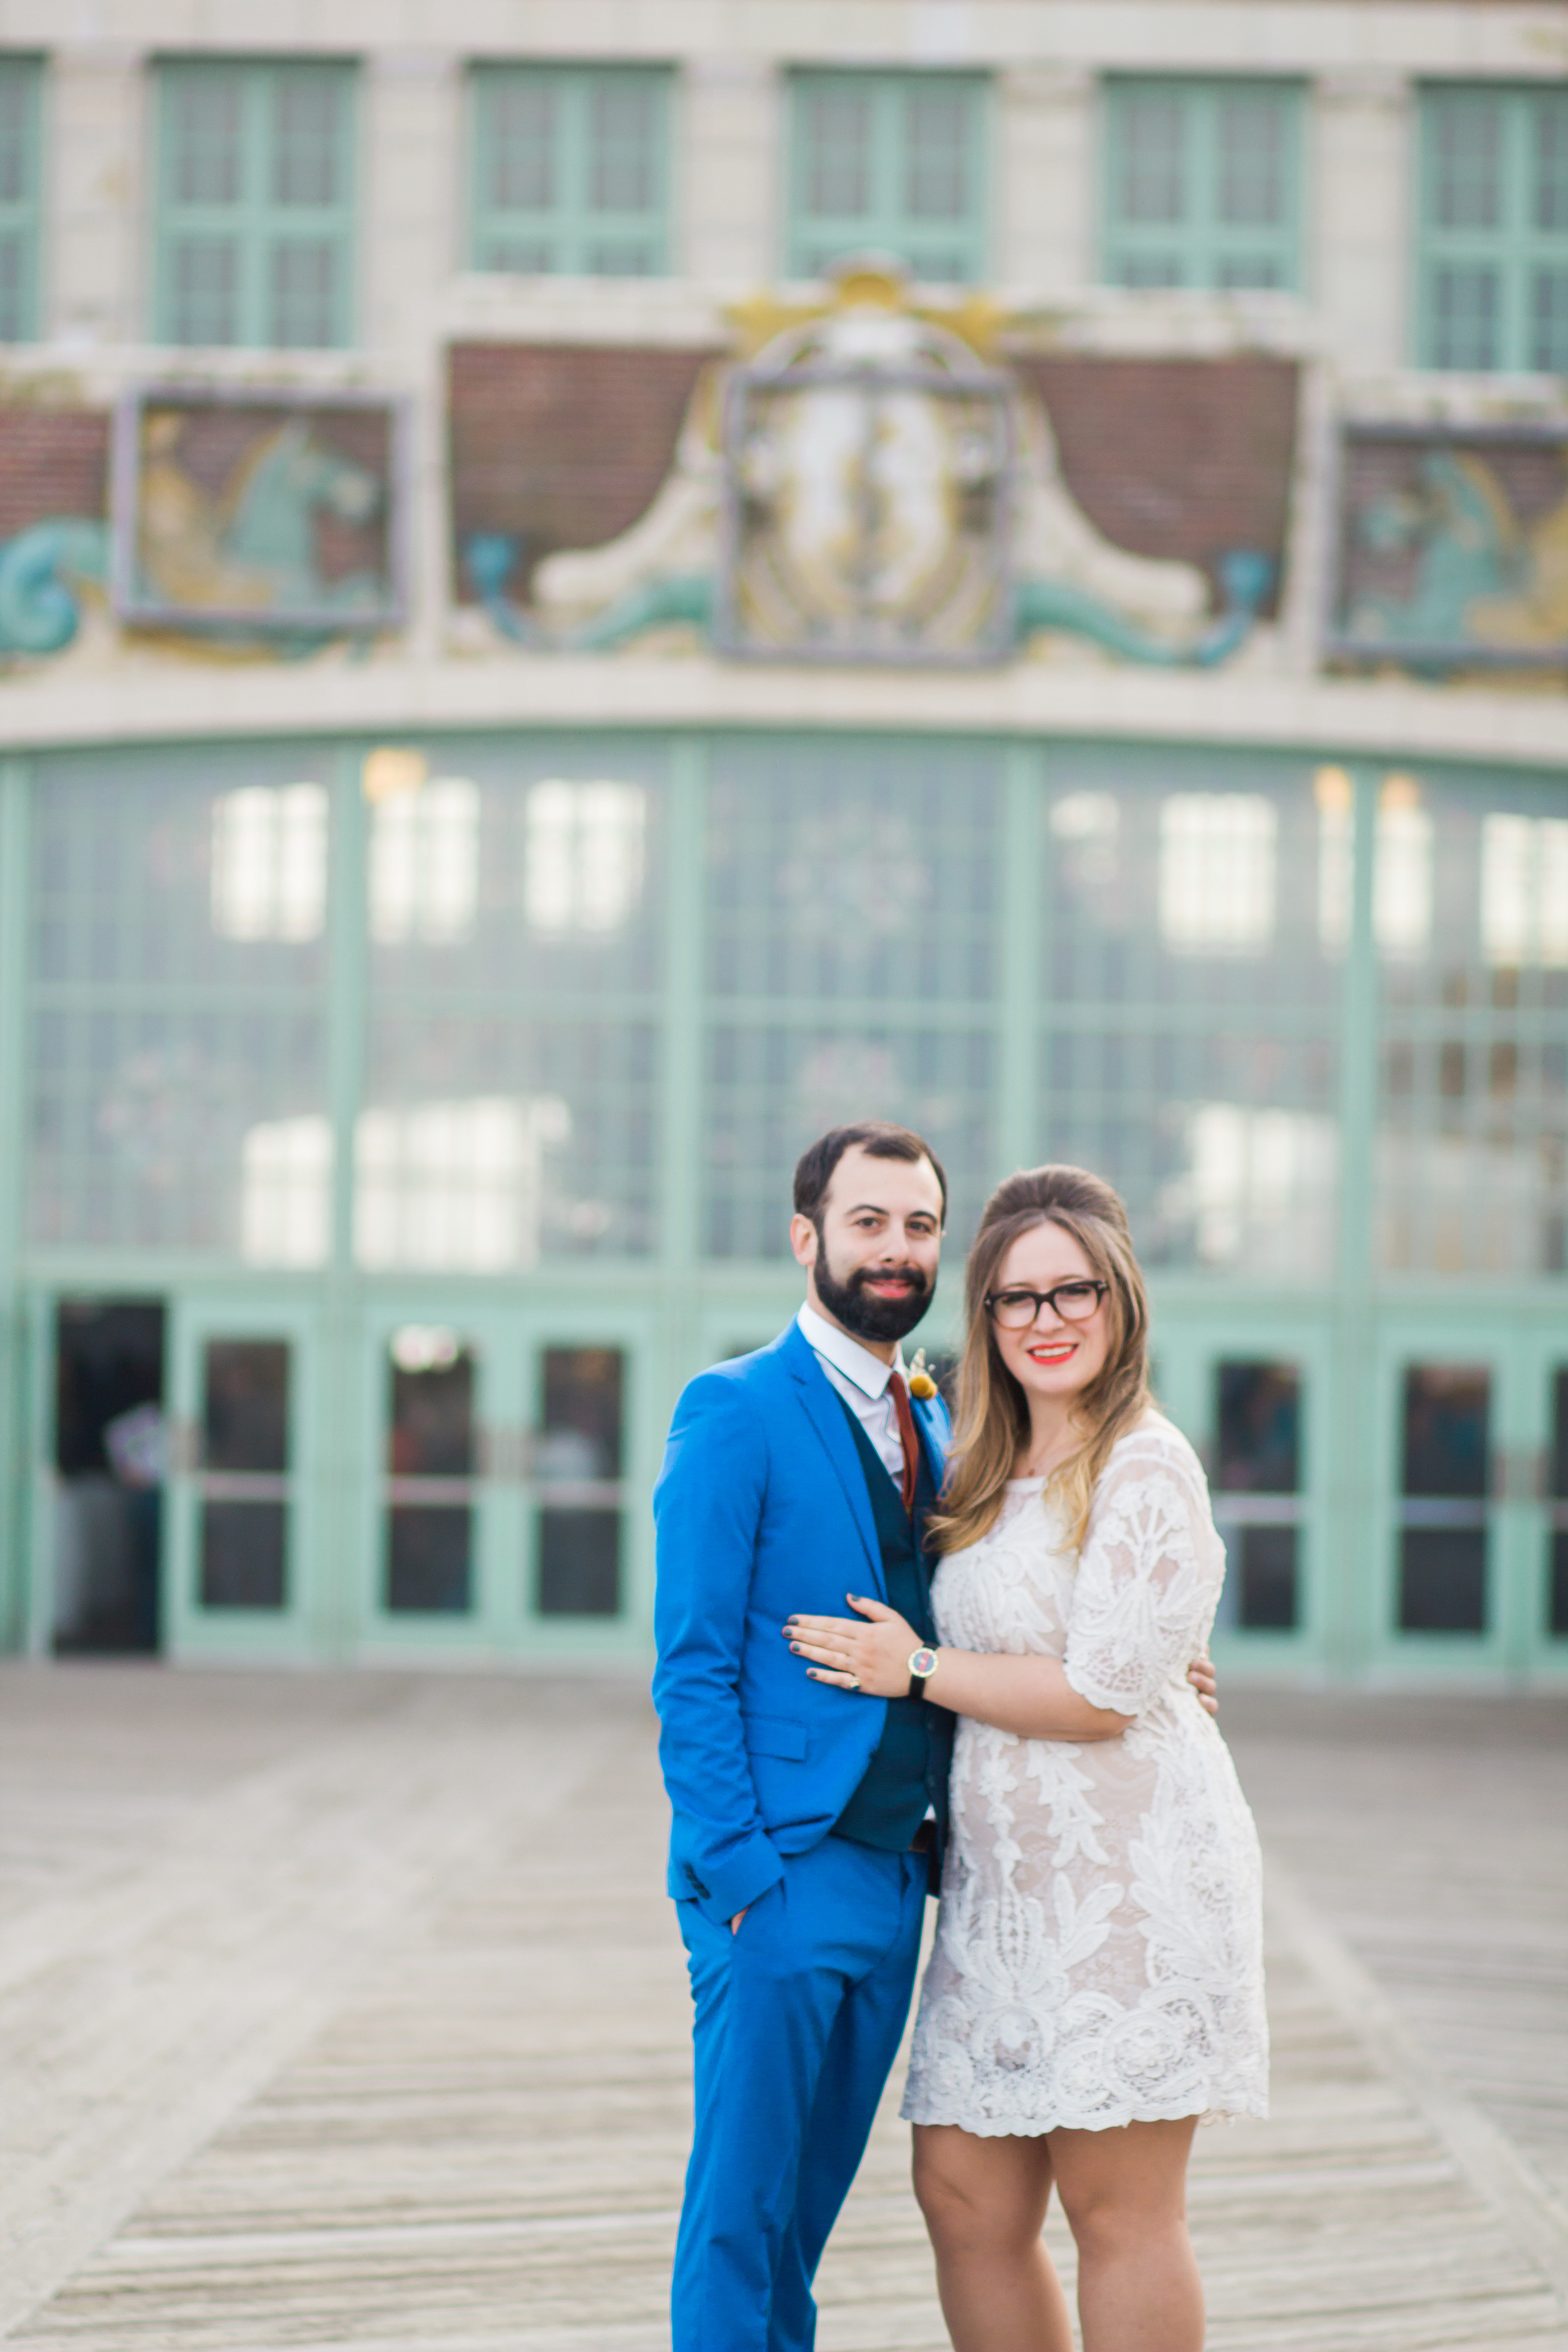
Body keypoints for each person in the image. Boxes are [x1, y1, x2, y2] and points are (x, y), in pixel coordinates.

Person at [652, 1129, 1219, 2352]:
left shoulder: (946, 1428)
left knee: (808, 2217)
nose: (895, 1250)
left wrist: (1159, 1657)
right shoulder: (734, 1407)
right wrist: (737, 1873)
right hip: (785, 1879)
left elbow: (1069, 1618)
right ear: (806, 1237)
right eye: (867, 1222)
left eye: (918, 1226)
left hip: (920, 1882)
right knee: (742, 2220)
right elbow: (689, 1667)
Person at [785, 1164, 1266, 2352]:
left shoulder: (1145, 1460)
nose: (1047, 1320)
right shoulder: (980, 1468)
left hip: (1125, 1885)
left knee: (1119, 2210)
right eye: (1017, 1298)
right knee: (964, 2194)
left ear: (1121, 1301)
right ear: (986, 1319)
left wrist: (917, 1668)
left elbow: (1104, 1693)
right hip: (1003, 1890)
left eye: (1073, 1292)